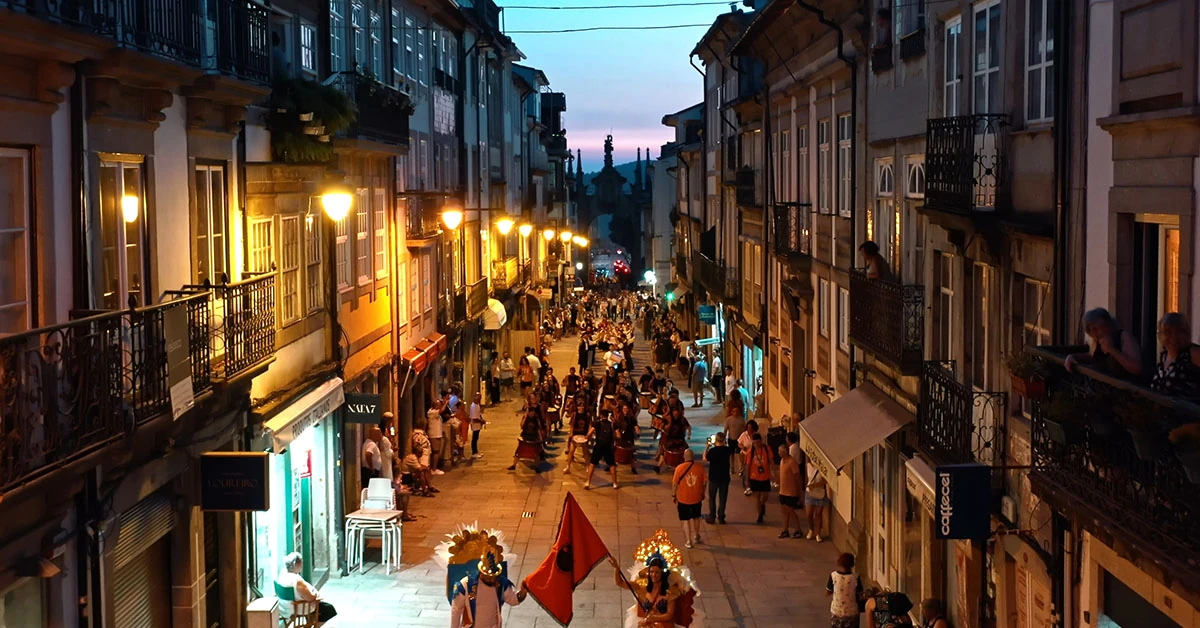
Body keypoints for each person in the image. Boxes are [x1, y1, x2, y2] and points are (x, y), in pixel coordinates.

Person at [449, 549, 528, 628]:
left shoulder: (500, 583)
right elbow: (456, 611)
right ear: (481, 572)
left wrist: (522, 592)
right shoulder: (465, 585)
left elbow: (512, 599)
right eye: (488, 577)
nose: (492, 580)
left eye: (493, 577)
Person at [1064, 307, 1143, 378]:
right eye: (1093, 329)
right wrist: (1072, 356)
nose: (1098, 332)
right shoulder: (1098, 340)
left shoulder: (1124, 336)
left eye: (1102, 326)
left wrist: (1112, 350)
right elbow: (1094, 358)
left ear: (1109, 324)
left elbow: (1136, 368)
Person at [276, 552, 336, 624]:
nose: (302, 565)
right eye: (301, 563)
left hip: (284, 607)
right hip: (297, 607)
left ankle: (310, 621)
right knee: (329, 609)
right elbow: (311, 598)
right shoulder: (297, 581)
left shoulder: (283, 573)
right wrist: (315, 594)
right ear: (296, 565)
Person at [1151, 312, 1200, 399]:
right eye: (1168, 332)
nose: (1173, 337)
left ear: (1186, 334)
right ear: (1160, 335)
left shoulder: (1193, 354)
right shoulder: (1163, 357)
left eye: (1179, 332)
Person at [672, 449, 706, 548]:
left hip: (683, 498)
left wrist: (674, 495)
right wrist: (702, 493)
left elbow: (675, 484)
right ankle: (696, 535)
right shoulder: (700, 468)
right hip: (696, 497)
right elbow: (704, 483)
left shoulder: (679, 468)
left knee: (685, 519)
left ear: (684, 457)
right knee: (696, 517)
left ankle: (688, 541)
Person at [826, 553, 863, 628]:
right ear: (852, 564)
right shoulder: (855, 578)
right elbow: (860, 594)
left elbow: (828, 592)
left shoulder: (834, 576)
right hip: (852, 612)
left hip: (837, 611)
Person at [704, 432, 733, 524]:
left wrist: (707, 447)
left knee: (712, 497)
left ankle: (712, 516)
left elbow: (705, 458)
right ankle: (721, 516)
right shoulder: (727, 450)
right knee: (723, 498)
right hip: (724, 477)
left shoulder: (713, 451)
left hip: (714, 477)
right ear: (724, 440)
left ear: (716, 440)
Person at [585, 411, 619, 490]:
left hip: (599, 446)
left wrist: (586, 438)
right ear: (607, 416)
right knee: (612, 464)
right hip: (608, 447)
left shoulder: (597, 424)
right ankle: (615, 483)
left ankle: (588, 482)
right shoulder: (612, 424)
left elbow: (590, 433)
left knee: (592, 464)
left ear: (601, 415)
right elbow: (618, 435)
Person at [746, 433, 772, 524]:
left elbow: (771, 461)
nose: (756, 444)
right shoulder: (751, 451)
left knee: (765, 496)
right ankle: (759, 515)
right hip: (754, 477)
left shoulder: (766, 449)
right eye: (755, 442)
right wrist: (747, 479)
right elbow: (748, 465)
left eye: (758, 442)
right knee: (757, 497)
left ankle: (762, 504)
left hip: (765, 476)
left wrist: (773, 474)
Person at [778, 444, 803, 538]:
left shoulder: (792, 462)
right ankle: (785, 529)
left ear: (784, 452)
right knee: (784, 511)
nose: (779, 453)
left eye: (780, 451)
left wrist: (800, 492)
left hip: (791, 491)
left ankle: (798, 529)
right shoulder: (782, 461)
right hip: (783, 491)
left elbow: (797, 477)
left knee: (791, 511)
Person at [566, 397, 593, 473]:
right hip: (575, 435)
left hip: (583, 435)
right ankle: (568, 466)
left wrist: (588, 435)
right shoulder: (574, 414)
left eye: (582, 406)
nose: (581, 407)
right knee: (571, 451)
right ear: (577, 407)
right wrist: (571, 433)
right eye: (579, 406)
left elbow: (590, 425)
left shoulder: (587, 415)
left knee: (585, 453)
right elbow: (572, 424)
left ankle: (587, 466)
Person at [806, 460, 830, 542]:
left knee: (818, 514)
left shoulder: (822, 467)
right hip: (809, 492)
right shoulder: (808, 465)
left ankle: (818, 533)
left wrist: (815, 485)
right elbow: (808, 478)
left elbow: (825, 480)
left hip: (820, 492)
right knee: (809, 514)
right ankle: (811, 529)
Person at [427, 399, 446, 476]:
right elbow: (442, 411)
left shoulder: (432, 412)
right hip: (435, 434)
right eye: (439, 405)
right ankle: (434, 469)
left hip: (436, 434)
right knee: (436, 452)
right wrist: (446, 403)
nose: (440, 406)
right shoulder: (432, 412)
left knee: (436, 452)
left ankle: (434, 467)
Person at [378, 414, 396, 481]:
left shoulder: (391, 428)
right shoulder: (383, 428)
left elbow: (391, 436)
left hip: (388, 448)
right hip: (384, 455)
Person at [469, 392, 486, 459]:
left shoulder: (477, 405)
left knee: (476, 438)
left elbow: (478, 414)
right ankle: (474, 452)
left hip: (478, 425)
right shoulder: (473, 406)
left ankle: (476, 451)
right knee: (474, 438)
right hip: (475, 425)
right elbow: (474, 418)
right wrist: (481, 421)